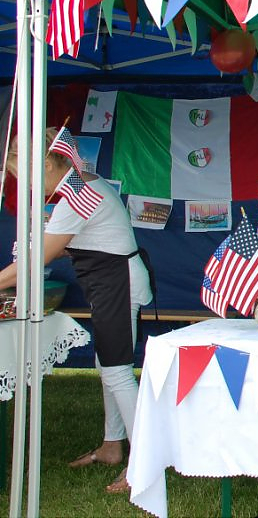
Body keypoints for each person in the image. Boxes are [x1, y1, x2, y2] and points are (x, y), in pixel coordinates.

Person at [0, 128, 153, 494]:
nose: (29, 186)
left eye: (28, 177)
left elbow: (39, 259)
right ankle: (113, 446)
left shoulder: (76, 197)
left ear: (47, 164)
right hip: (113, 281)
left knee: (117, 371)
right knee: (108, 365)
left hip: (118, 283)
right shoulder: (82, 182)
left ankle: (144, 465)